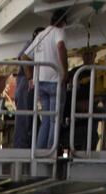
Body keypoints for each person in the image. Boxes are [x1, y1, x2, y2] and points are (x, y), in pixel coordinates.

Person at [24, 9, 69, 151]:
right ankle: (50, 151)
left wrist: (30, 77)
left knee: (45, 121)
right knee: (55, 120)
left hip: (40, 83)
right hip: (54, 82)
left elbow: (24, 57)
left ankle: (39, 150)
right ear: (62, 22)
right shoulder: (58, 31)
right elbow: (61, 46)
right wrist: (65, 71)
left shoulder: (40, 36)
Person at [13, 28, 43, 149]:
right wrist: (30, 77)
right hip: (26, 85)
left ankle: (30, 143)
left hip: (24, 85)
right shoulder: (32, 44)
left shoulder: (30, 44)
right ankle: (21, 146)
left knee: (30, 117)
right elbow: (22, 58)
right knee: (24, 118)